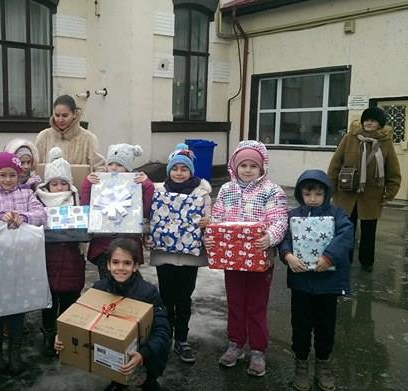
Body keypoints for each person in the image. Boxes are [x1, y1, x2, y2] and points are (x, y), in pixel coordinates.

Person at [204, 140, 288, 377]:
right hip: (232, 260)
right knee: (235, 302)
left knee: (256, 305)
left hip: (260, 258)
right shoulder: (226, 190)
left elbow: (280, 220)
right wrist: (210, 238)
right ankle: (236, 344)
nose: (248, 170)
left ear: (262, 168)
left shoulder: (272, 191)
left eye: (253, 165)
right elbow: (216, 219)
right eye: (243, 165)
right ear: (235, 166)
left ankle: (258, 350)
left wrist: (270, 237)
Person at [54, 238, 171, 391]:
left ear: (135, 266)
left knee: (146, 379)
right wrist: (64, 335)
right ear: (108, 265)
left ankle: (149, 382)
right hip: (113, 354)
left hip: (146, 353)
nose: (120, 268)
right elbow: (80, 318)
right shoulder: (99, 288)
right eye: (115, 262)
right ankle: (118, 382)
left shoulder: (148, 293)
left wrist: (143, 354)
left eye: (127, 263)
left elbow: (163, 331)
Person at [278, 170, 354, 391]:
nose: (313, 198)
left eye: (318, 194)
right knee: (300, 325)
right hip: (301, 283)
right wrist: (287, 255)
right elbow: (284, 238)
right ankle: (301, 364)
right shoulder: (293, 215)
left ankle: (323, 363)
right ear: (300, 194)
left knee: (325, 326)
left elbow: (346, 235)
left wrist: (329, 257)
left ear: (326, 194)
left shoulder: (336, 214)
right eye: (308, 193)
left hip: (328, 284)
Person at [0, 152, 47, 374]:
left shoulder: (27, 193)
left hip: (23, 262)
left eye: (12, 175)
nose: (8, 179)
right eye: (3, 175)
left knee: (18, 307)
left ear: (19, 175)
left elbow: (41, 214)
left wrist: (23, 217)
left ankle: (15, 352)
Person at [146, 143, 211, 364]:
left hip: (190, 255)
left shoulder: (201, 193)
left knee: (184, 297)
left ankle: (182, 339)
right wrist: (148, 235)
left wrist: (207, 222)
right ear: (169, 170)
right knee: (165, 296)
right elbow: (150, 217)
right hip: (164, 254)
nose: (179, 173)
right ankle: (165, 335)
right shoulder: (158, 191)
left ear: (191, 171)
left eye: (184, 169)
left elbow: (210, 218)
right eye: (175, 168)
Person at [327, 107, 401, 271]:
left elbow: (393, 170)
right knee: (346, 229)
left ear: (380, 124)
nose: (369, 123)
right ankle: (345, 259)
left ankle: (367, 262)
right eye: (366, 120)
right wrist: (329, 189)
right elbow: (335, 164)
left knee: (369, 230)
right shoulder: (349, 138)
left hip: (372, 195)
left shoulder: (385, 142)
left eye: (373, 120)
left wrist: (390, 193)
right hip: (347, 193)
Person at [35, 147, 86, 357]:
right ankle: (49, 336)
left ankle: (65, 337)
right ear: (47, 184)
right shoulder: (38, 200)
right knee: (48, 303)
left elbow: (85, 225)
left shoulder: (75, 199)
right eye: (54, 183)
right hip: (47, 259)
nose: (59, 187)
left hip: (72, 259)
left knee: (69, 301)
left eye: (63, 183)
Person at [80, 143, 154, 278]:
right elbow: (86, 207)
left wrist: (147, 186)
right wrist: (87, 184)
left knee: (130, 280)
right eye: (110, 164)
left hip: (129, 244)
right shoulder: (98, 182)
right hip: (103, 245)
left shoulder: (135, 184)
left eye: (119, 165)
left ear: (128, 168)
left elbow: (146, 210)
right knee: (107, 281)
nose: (114, 168)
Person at [35, 94, 105, 170]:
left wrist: (93, 176)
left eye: (65, 116)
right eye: (57, 115)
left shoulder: (88, 138)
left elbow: (100, 168)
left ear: (74, 114)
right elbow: (33, 168)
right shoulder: (43, 137)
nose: (60, 120)